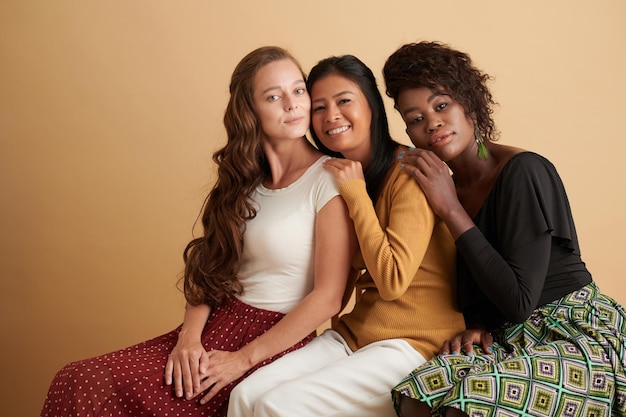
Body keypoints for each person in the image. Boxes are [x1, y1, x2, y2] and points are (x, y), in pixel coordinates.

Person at [39, 46, 357, 417]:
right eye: (274, 96)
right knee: (78, 379)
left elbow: (328, 297)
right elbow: (211, 271)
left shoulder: (331, 178)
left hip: (270, 343)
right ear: (249, 110)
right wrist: (187, 340)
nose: (293, 104)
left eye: (299, 90)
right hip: (211, 326)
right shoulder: (241, 182)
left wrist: (241, 360)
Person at [383, 40, 626, 417]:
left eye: (441, 105)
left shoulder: (521, 171)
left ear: (469, 103)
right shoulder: (442, 188)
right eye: (415, 119)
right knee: (416, 392)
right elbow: (475, 285)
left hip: (577, 334)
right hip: (511, 338)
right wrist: (477, 324)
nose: (431, 122)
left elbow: (519, 300)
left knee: (469, 403)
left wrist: (449, 208)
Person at [227, 54, 465, 417]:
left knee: (279, 406)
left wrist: (355, 194)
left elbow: (391, 280)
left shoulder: (409, 173)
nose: (331, 116)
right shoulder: (338, 177)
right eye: (319, 107)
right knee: (245, 396)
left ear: (371, 104)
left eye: (344, 101)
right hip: (355, 336)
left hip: (413, 343)